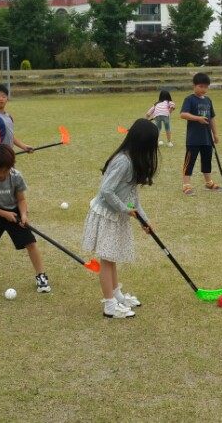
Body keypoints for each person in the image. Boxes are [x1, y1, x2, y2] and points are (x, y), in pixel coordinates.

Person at [81, 118, 158, 318]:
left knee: (111, 256)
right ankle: (109, 305)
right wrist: (125, 209)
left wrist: (144, 220)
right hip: (107, 215)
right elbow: (106, 190)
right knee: (107, 258)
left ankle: (116, 295)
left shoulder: (133, 160)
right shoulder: (123, 161)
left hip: (116, 214)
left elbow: (133, 195)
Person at [0, 143, 50, 294]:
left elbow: (21, 200)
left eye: (4, 171)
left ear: (11, 166)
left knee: (31, 243)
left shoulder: (16, 176)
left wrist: (24, 215)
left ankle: (41, 276)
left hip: (14, 212)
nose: (0, 175)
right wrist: (4, 214)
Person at [179, 72, 222, 196]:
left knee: (207, 160)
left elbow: (212, 118)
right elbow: (183, 114)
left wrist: (216, 134)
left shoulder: (208, 101)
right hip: (193, 139)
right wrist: (197, 118)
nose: (204, 89)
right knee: (190, 161)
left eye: (206, 87)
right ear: (194, 85)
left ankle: (209, 183)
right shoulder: (189, 99)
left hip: (207, 139)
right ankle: (186, 185)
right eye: (201, 86)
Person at [0, 83, 33, 153]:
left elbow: (10, 136)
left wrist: (23, 146)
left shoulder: (9, 117)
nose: (1, 99)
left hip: (8, 153)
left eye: (4, 96)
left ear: (7, 99)